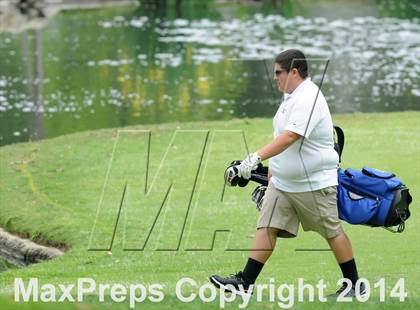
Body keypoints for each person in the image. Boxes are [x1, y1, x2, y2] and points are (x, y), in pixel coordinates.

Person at [209, 49, 364, 298]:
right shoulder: (291, 96)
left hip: (313, 183)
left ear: (294, 72)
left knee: (332, 232)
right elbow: (282, 139)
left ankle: (354, 286)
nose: (275, 77)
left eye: (278, 72)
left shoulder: (308, 98)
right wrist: (268, 173)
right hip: (284, 183)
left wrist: (254, 159)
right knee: (267, 227)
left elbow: (291, 137)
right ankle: (245, 282)